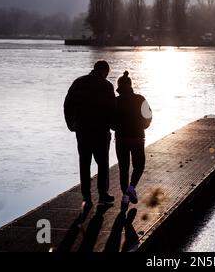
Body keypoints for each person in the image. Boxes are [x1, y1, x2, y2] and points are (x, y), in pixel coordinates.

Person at [64, 60, 116, 206]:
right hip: (101, 131)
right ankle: (103, 194)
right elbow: (112, 109)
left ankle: (86, 197)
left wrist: (71, 124)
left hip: (82, 130)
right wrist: (113, 127)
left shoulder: (78, 82)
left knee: (84, 162)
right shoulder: (106, 86)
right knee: (103, 163)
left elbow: (67, 104)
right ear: (105, 71)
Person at [113, 71, 152, 205]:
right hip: (137, 138)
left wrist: (116, 128)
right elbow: (148, 116)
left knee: (123, 168)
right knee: (139, 166)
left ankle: (125, 196)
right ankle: (131, 187)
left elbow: (109, 119)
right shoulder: (140, 99)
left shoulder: (116, 101)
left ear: (119, 86)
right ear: (130, 85)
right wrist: (142, 127)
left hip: (121, 139)